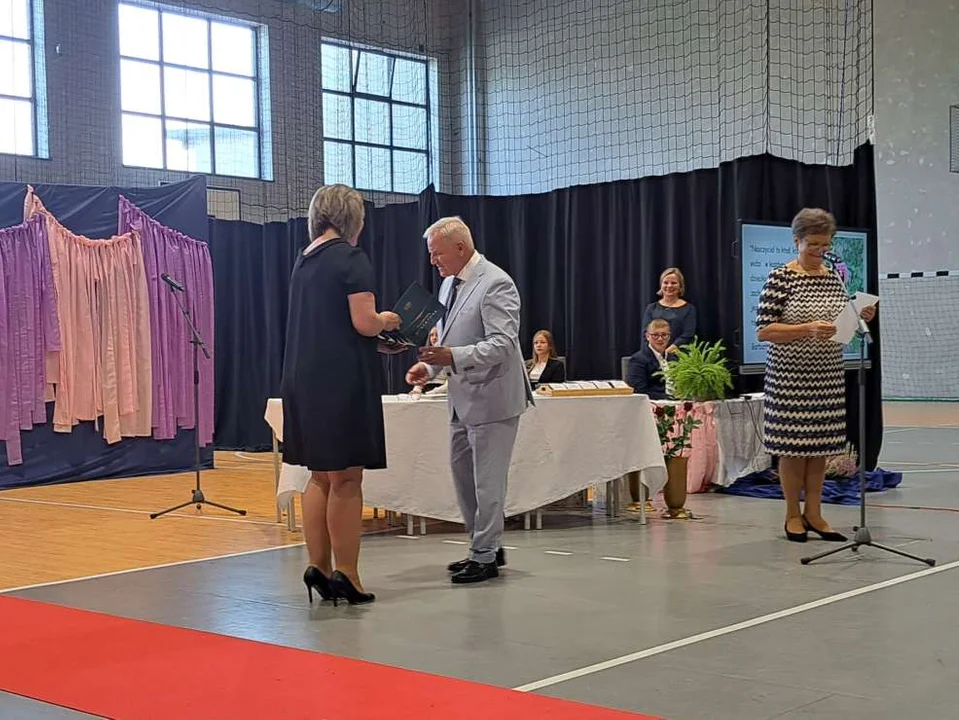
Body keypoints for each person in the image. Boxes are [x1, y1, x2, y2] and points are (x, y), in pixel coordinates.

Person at [280, 184, 402, 606]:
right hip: (341, 381)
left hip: (303, 378)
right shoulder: (350, 259)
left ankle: (317, 565)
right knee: (348, 477)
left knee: (319, 475)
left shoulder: (304, 261)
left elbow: (329, 324)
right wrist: (387, 320)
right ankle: (348, 574)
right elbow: (364, 322)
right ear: (351, 219)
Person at [406, 216, 534, 584]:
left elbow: (502, 344)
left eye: (437, 253)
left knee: (487, 484)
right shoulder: (449, 284)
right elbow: (448, 340)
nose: (433, 261)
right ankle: (486, 545)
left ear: (460, 248)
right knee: (463, 479)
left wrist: (452, 357)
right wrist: (428, 369)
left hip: (493, 400)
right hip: (461, 400)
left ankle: (484, 556)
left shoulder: (496, 283)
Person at [756, 208, 877, 543]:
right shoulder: (780, 278)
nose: (820, 250)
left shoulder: (834, 276)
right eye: (813, 244)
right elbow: (764, 331)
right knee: (794, 449)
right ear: (796, 241)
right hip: (789, 378)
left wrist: (860, 315)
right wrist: (806, 328)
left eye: (825, 244)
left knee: (820, 449)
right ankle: (792, 515)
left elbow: (842, 326)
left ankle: (815, 512)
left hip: (827, 375)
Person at [641, 267, 697, 354]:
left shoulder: (689, 309)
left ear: (680, 286)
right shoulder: (651, 308)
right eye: (666, 282)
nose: (669, 286)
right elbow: (645, 334)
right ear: (661, 285)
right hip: (653, 355)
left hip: (679, 355)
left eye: (673, 283)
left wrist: (670, 350)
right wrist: (655, 353)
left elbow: (688, 334)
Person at [626, 319, 676, 400]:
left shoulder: (674, 358)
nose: (660, 339)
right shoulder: (638, 360)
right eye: (655, 335)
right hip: (653, 403)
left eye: (664, 335)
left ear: (669, 337)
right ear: (647, 336)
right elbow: (639, 391)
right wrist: (669, 397)